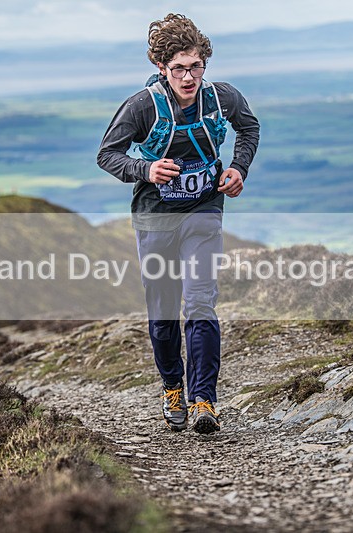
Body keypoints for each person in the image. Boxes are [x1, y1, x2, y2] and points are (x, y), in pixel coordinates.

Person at [97, 13, 259, 434]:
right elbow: (107, 155)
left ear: (204, 62)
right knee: (164, 311)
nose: (189, 77)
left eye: (196, 66)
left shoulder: (222, 98)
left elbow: (249, 128)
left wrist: (238, 168)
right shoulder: (142, 106)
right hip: (154, 217)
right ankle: (173, 386)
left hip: (204, 210)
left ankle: (204, 399)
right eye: (179, 69)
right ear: (161, 68)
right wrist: (145, 171)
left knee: (201, 301)